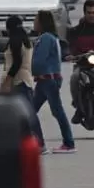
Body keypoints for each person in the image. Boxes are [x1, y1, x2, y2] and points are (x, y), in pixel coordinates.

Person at [31, 10, 75, 154]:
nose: (34, 23)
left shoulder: (45, 39)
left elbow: (39, 60)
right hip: (47, 80)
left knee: (57, 111)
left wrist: (32, 71)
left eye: (36, 20)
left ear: (42, 23)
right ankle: (37, 142)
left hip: (48, 80)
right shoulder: (50, 37)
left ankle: (68, 143)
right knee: (30, 110)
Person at [2, 15, 34, 97]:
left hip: (17, 82)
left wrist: (7, 81)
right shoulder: (26, 40)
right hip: (26, 81)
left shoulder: (15, 41)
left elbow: (17, 62)